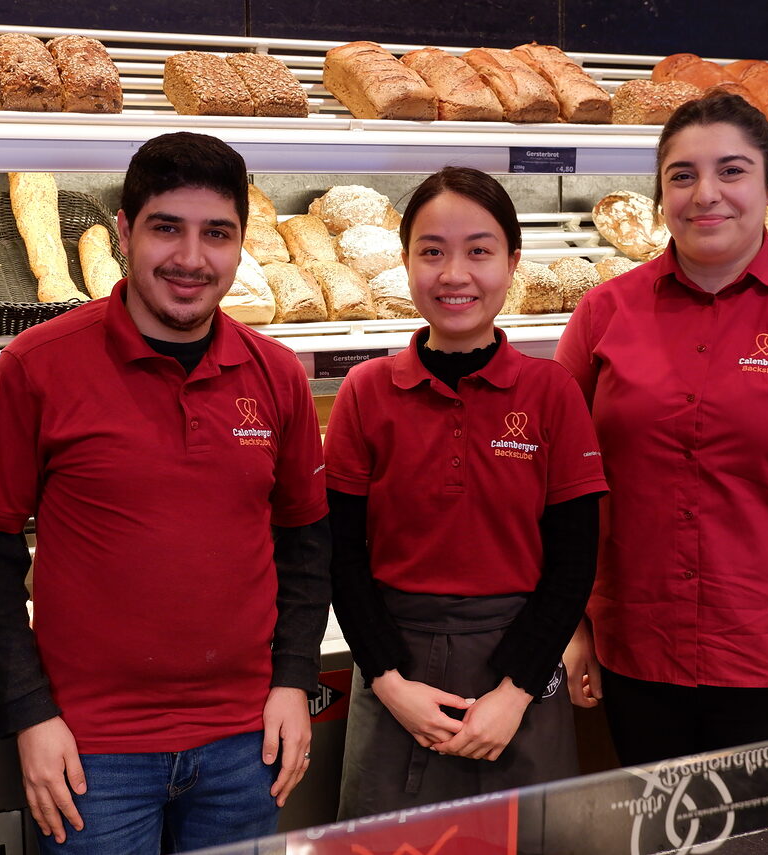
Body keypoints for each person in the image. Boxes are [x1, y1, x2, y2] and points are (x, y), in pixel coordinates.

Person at [0, 131, 330, 854]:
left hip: (246, 744)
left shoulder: (277, 374)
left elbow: (306, 540)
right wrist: (29, 714)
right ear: (125, 231)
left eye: (216, 234)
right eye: (166, 228)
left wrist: (294, 678)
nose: (191, 259)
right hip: (91, 753)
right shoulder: (38, 365)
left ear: (240, 243)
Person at [556, 92, 768, 766]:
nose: (705, 194)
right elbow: (563, 487)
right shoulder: (603, 315)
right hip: (635, 653)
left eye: (733, 171)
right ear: (661, 194)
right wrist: (571, 627)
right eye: (682, 176)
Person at [326, 167, 609, 819]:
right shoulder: (365, 393)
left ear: (511, 263)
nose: (455, 273)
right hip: (395, 673)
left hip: (521, 676)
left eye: (479, 251)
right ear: (405, 262)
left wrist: (514, 692)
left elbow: (573, 561)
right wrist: (393, 685)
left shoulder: (551, 393)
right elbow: (340, 556)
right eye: (432, 251)